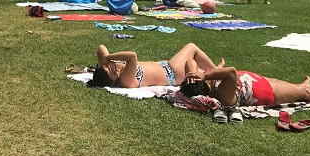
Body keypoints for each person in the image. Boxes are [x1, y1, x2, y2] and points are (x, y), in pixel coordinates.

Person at [180, 66, 310, 108]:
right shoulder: (223, 95)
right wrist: (205, 75)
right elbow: (231, 72)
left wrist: (191, 74)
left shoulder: (212, 87)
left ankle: (300, 87)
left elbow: (190, 63)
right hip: (266, 92)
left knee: (295, 88)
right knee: (306, 93)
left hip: (260, 83)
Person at [87, 43, 220, 89]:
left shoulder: (116, 70)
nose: (112, 66)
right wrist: (109, 58)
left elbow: (101, 48)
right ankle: (215, 71)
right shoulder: (125, 81)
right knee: (191, 48)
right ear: (113, 80)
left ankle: (214, 71)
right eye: (110, 70)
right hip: (172, 74)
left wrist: (105, 60)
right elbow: (132, 56)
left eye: (107, 66)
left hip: (167, 66)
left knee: (192, 55)